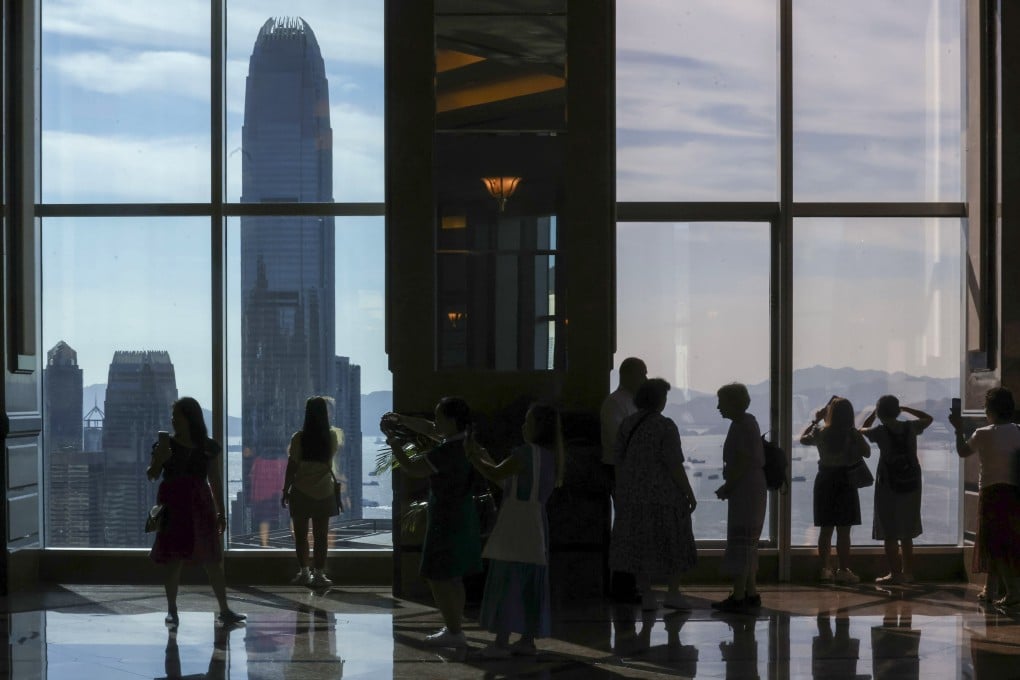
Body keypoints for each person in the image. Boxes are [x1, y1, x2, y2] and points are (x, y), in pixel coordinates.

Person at [464, 402, 564, 658]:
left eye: (528, 421)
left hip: (515, 522)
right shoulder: (551, 457)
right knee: (530, 580)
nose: (523, 425)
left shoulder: (523, 453)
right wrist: (483, 456)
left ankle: (500, 641)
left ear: (537, 427)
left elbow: (494, 473)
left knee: (507, 577)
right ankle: (527, 640)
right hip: (537, 522)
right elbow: (509, 479)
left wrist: (473, 456)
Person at [382, 397, 482, 648]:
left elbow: (413, 468)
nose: (435, 421)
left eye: (439, 416)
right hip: (463, 515)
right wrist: (402, 420)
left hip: (445, 520)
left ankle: (454, 631)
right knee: (454, 576)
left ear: (450, 420)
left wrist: (394, 442)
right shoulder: (466, 443)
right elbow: (428, 428)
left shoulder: (447, 452)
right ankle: (454, 626)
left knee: (437, 576)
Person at [147, 397, 246, 628]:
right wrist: (159, 459)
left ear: (189, 419)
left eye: (177, 417)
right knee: (174, 559)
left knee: (212, 558)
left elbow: (215, 480)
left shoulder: (207, 447)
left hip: (198, 505)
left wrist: (221, 513)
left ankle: (223, 609)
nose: (173, 421)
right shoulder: (167, 445)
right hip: (177, 505)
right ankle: (173, 610)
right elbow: (152, 474)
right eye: (173, 418)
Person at [610, 378, 697, 611]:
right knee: (673, 542)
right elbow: (674, 464)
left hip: (633, 495)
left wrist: (621, 491)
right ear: (659, 400)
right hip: (664, 496)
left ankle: (647, 593)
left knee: (640, 545)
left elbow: (617, 461)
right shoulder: (665, 426)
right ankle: (673, 592)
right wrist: (688, 493)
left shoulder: (627, 424)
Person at [949, 387, 1020, 607]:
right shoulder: (1018, 430)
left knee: (993, 544)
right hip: (1015, 494)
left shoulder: (983, 434)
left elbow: (962, 451)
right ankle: (990, 589)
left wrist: (958, 429)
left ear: (991, 409)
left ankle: (1013, 592)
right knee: (1004, 542)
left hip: (991, 493)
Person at [860, 395, 932, 584]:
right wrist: (907, 410)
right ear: (897, 410)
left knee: (890, 530)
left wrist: (873, 414)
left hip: (888, 484)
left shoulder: (879, 432)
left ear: (881, 412)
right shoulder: (911, 427)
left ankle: (895, 573)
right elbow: (928, 418)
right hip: (912, 482)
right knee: (907, 530)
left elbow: (861, 429)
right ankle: (908, 573)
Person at [799, 396, 870, 585]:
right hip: (846, 482)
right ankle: (844, 569)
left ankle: (825, 569)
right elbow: (867, 452)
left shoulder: (820, 432)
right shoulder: (852, 434)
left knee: (825, 529)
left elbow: (803, 439)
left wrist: (816, 420)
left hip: (824, 481)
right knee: (844, 531)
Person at [712, 382, 766, 613]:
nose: (718, 407)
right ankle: (750, 592)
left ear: (733, 403)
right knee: (748, 541)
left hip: (745, 489)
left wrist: (728, 486)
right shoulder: (748, 423)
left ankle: (739, 595)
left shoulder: (742, 426)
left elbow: (742, 461)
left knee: (741, 542)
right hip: (752, 487)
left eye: (721, 402)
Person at [600, 356, 647, 602]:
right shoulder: (615, 403)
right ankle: (621, 585)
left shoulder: (624, 403)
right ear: (629, 375)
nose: (645, 379)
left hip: (627, 471)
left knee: (628, 528)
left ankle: (626, 583)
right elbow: (620, 439)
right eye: (643, 374)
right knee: (626, 529)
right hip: (619, 472)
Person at [282, 396, 342, 589]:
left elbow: (292, 466)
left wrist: (285, 490)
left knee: (300, 536)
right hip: (324, 491)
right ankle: (319, 574)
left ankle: (304, 573)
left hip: (300, 491)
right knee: (321, 536)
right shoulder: (332, 436)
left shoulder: (298, 438)